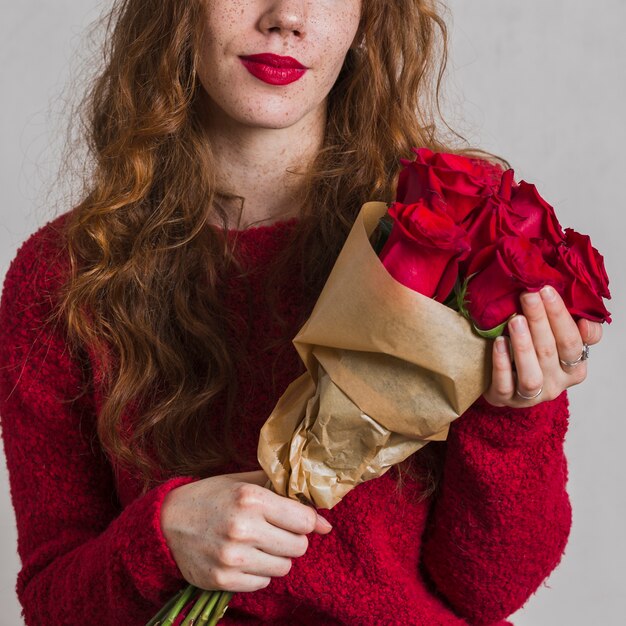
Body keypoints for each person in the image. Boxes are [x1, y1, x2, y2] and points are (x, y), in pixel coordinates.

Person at [0, 1, 604, 625]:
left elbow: (491, 590)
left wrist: (513, 419)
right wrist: (159, 541)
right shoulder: (66, 276)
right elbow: (51, 603)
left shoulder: (453, 232)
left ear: (367, 18)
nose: (287, 15)